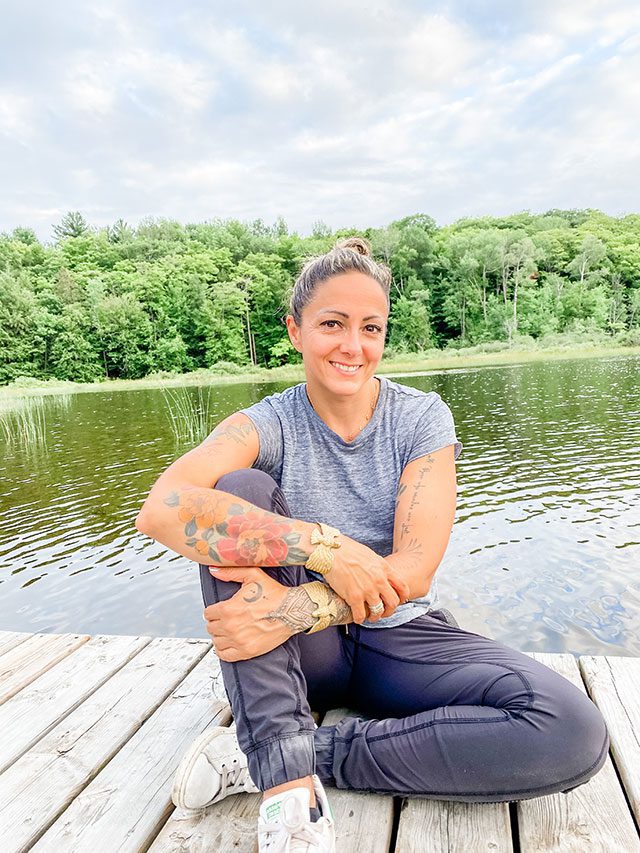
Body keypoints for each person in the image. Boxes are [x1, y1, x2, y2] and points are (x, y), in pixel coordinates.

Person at [135, 237, 608, 853]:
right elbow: (162, 509)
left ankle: (273, 756)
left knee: (568, 730)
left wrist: (298, 607)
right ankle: (287, 788)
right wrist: (323, 547)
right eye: (331, 323)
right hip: (304, 657)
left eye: (371, 327)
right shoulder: (267, 424)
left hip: (398, 634)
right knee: (238, 490)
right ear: (296, 330)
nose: (352, 346)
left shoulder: (420, 419)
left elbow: (412, 571)